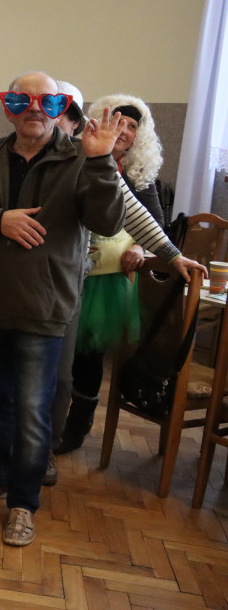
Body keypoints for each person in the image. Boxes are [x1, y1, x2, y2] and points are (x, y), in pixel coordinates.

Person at [0, 71, 127, 547]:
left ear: (57, 108)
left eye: (45, 101)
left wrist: (103, 161)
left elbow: (106, 221)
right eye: (21, 100)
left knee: (31, 410)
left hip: (44, 307)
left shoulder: (80, 158)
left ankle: (23, 502)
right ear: (8, 107)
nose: (32, 109)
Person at [56, 94, 172, 454]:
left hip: (105, 278)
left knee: (87, 356)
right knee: (58, 352)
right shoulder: (77, 159)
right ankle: (50, 418)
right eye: (117, 119)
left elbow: (155, 228)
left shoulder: (140, 177)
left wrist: (141, 248)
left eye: (132, 125)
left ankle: (78, 422)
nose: (123, 129)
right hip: (68, 266)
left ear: (140, 136)